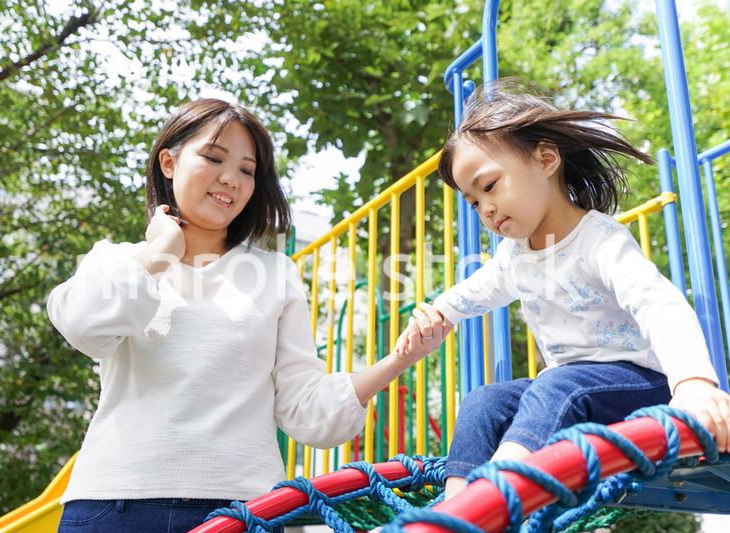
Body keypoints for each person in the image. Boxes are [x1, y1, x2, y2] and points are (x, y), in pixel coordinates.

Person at [48, 98, 431, 532]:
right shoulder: (118, 261)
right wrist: (159, 254)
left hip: (243, 509)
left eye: (247, 170)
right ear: (168, 162)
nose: (230, 179)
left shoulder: (275, 273)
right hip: (114, 504)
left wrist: (400, 358)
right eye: (213, 157)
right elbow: (83, 325)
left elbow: (303, 409)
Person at [394, 80, 730, 500]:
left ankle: (497, 496)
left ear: (547, 159)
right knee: (486, 400)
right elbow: (477, 290)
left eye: (490, 185)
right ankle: (456, 502)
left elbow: (657, 302)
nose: (486, 208)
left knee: (556, 386)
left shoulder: (598, 240)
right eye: (474, 202)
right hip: (572, 395)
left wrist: (694, 384)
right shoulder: (514, 255)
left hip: (644, 387)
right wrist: (440, 313)